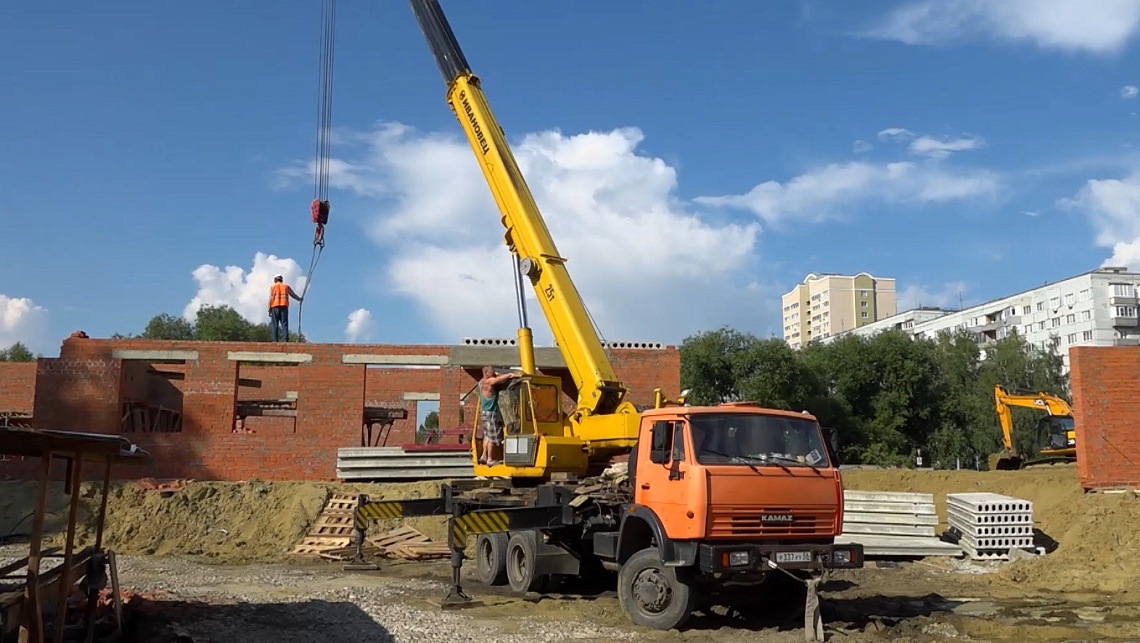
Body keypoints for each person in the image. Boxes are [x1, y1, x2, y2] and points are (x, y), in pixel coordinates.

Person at [477, 365, 522, 465]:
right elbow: (497, 380)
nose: (493, 373)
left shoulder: (480, 382)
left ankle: (484, 456)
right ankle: (490, 459)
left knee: (487, 436)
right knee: (492, 438)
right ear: (486, 373)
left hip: (484, 412)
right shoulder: (488, 382)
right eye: (492, 372)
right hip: (490, 412)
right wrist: (510, 375)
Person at [268, 275, 303, 342]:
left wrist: (269, 309)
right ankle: (285, 340)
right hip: (284, 306)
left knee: (275, 324)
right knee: (284, 324)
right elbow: (293, 294)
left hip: (275, 306)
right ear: (281, 280)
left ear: (275, 280)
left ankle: (275, 340)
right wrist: (299, 299)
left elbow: (270, 298)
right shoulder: (286, 286)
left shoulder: (273, 287)